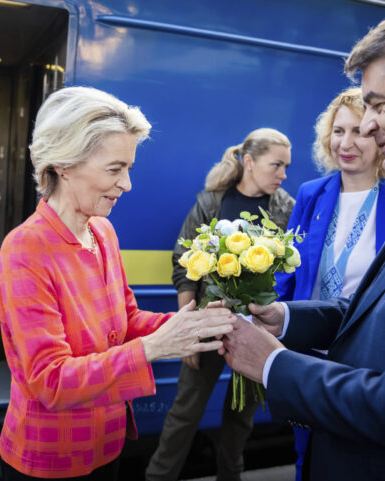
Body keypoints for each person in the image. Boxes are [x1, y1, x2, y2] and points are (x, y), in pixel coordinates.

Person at [220, 1, 385, 480]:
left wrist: (276, 366)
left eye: (378, 105)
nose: (364, 127)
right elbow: (365, 309)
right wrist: (283, 318)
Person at [0, 86, 235, 481]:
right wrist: (154, 347)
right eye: (114, 169)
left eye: (128, 169)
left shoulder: (102, 231)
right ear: (65, 164)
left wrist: (193, 325)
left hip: (107, 442)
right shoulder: (25, 249)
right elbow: (49, 381)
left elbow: (124, 319)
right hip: (52, 458)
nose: (127, 185)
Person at [274, 87, 385, 480]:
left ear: (379, 135)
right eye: (338, 131)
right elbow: (288, 269)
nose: (346, 143)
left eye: (358, 131)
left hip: (368, 358)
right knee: (306, 454)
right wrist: (272, 319)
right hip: (308, 348)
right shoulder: (311, 194)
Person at [146, 128, 294, 481]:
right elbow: (185, 263)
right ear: (249, 162)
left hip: (257, 329)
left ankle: (231, 476)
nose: (283, 174)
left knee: (242, 416)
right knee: (186, 411)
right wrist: (188, 329)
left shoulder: (286, 208)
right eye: (276, 165)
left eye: (286, 166)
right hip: (208, 324)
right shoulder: (211, 202)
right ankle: (158, 477)